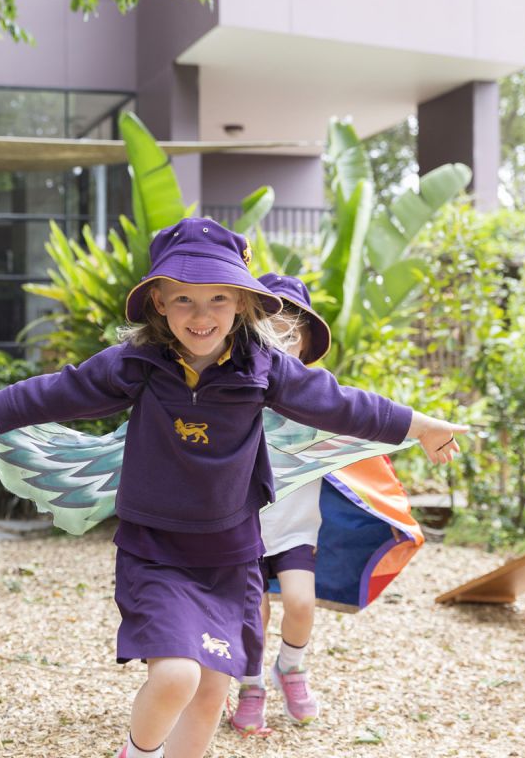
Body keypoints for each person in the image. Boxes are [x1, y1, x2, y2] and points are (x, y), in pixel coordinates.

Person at [0, 218, 467, 758]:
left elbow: (344, 405)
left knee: (210, 691)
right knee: (177, 675)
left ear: (242, 304)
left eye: (218, 300)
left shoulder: (264, 367)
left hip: (232, 558)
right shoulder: (139, 364)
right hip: (156, 550)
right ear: (158, 301)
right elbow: (60, 391)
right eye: (184, 300)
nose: (201, 316)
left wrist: (422, 427)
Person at [229, 272, 332, 733]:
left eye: (292, 334)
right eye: (272, 332)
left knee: (301, 602)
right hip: (244, 525)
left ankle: (291, 667)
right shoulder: (236, 388)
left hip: (295, 526)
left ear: (307, 342)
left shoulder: (318, 390)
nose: (282, 341)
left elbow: (359, 423)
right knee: (253, 613)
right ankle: (250, 685)